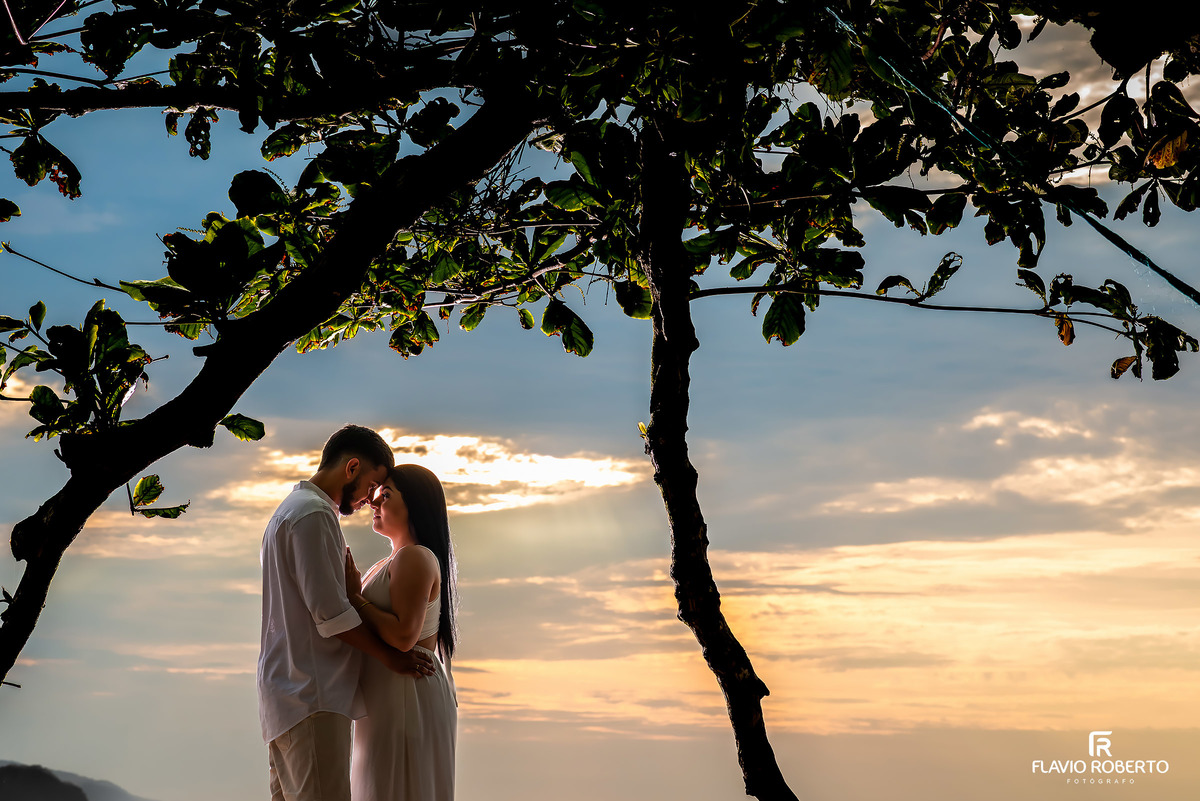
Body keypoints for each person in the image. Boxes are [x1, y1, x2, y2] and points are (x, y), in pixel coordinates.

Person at [257, 425, 436, 801]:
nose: (369, 500)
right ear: (352, 468)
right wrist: (390, 657)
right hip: (313, 693)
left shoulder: (286, 514)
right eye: (373, 485)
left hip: (285, 696)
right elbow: (331, 615)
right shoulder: (314, 515)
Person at [346, 464, 458, 801]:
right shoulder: (390, 562)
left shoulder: (414, 557)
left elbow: (402, 636)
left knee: (396, 786)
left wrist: (354, 598)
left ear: (414, 507)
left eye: (386, 495)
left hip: (407, 690)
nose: (374, 502)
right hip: (390, 691)